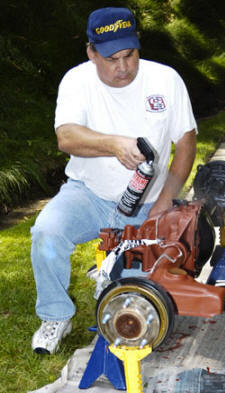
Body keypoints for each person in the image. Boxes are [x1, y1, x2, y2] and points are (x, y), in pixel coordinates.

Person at [31, 7, 197, 354]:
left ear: (138, 47)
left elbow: (186, 143)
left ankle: (110, 272)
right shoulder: (76, 81)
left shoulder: (166, 80)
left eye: (130, 55)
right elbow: (67, 137)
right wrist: (114, 144)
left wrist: (166, 200)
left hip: (149, 201)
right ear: (92, 53)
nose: (123, 67)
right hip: (87, 194)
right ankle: (56, 316)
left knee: (138, 298)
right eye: (111, 58)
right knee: (47, 232)